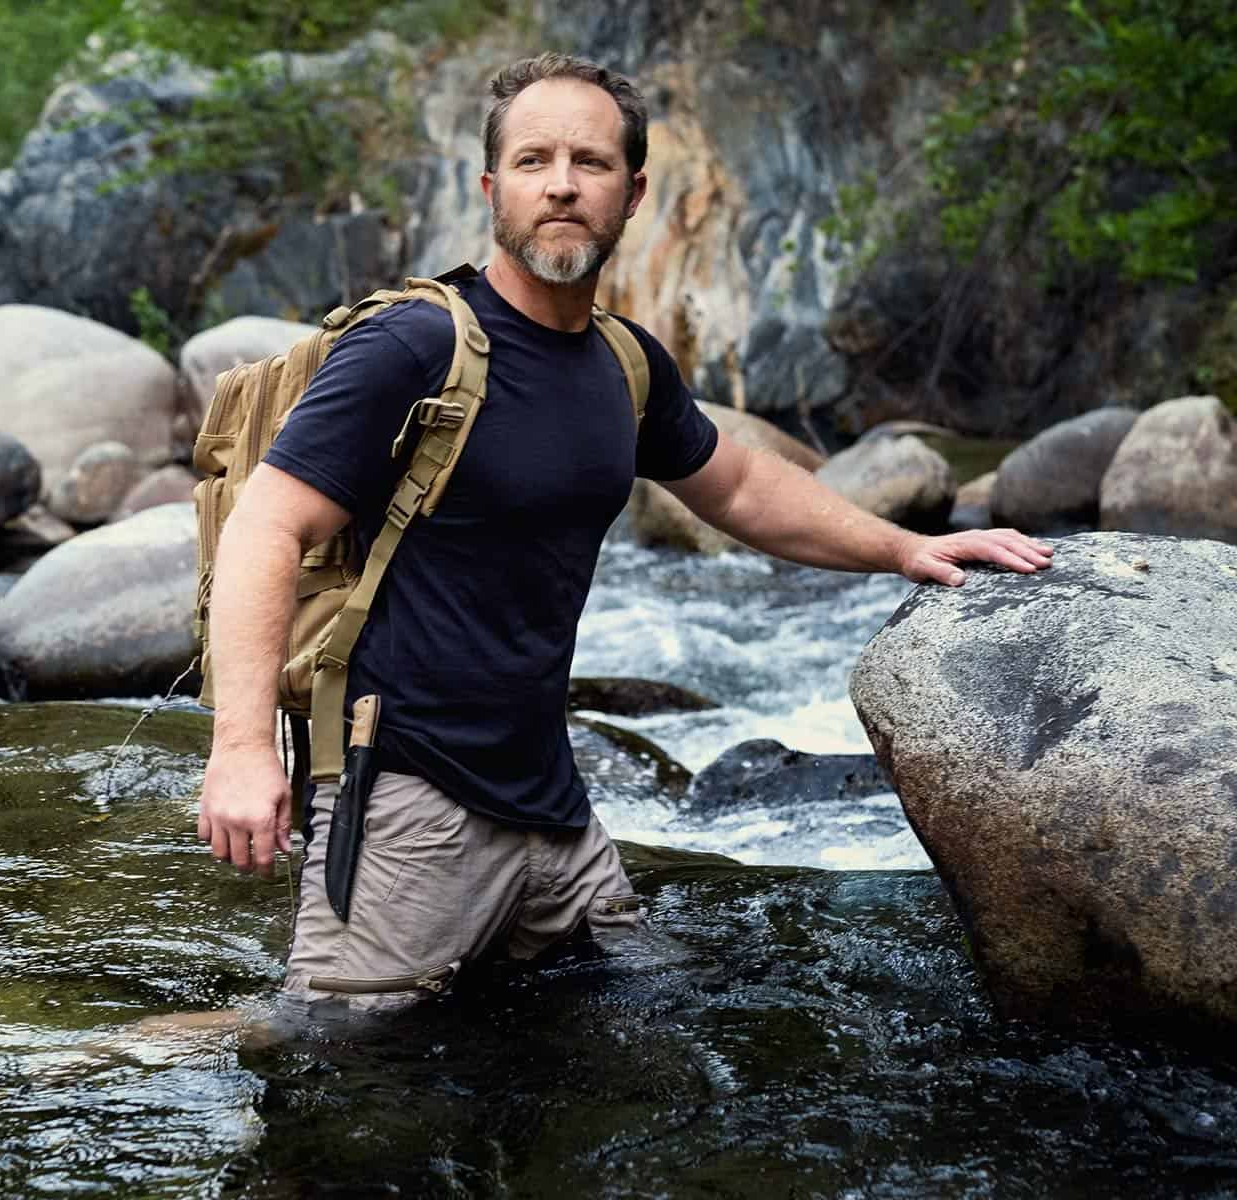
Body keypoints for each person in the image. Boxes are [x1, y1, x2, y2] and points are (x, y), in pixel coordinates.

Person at [195, 52, 1053, 1012]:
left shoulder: (623, 363)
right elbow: (265, 525)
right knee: (334, 1053)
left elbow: (735, 483)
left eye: (590, 162)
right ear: (491, 188)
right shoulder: (413, 347)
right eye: (533, 161)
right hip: (408, 804)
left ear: (633, 191)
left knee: (645, 1017)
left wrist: (903, 548)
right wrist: (241, 750)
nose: (561, 184)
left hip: (551, 812)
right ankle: (77, 1056)